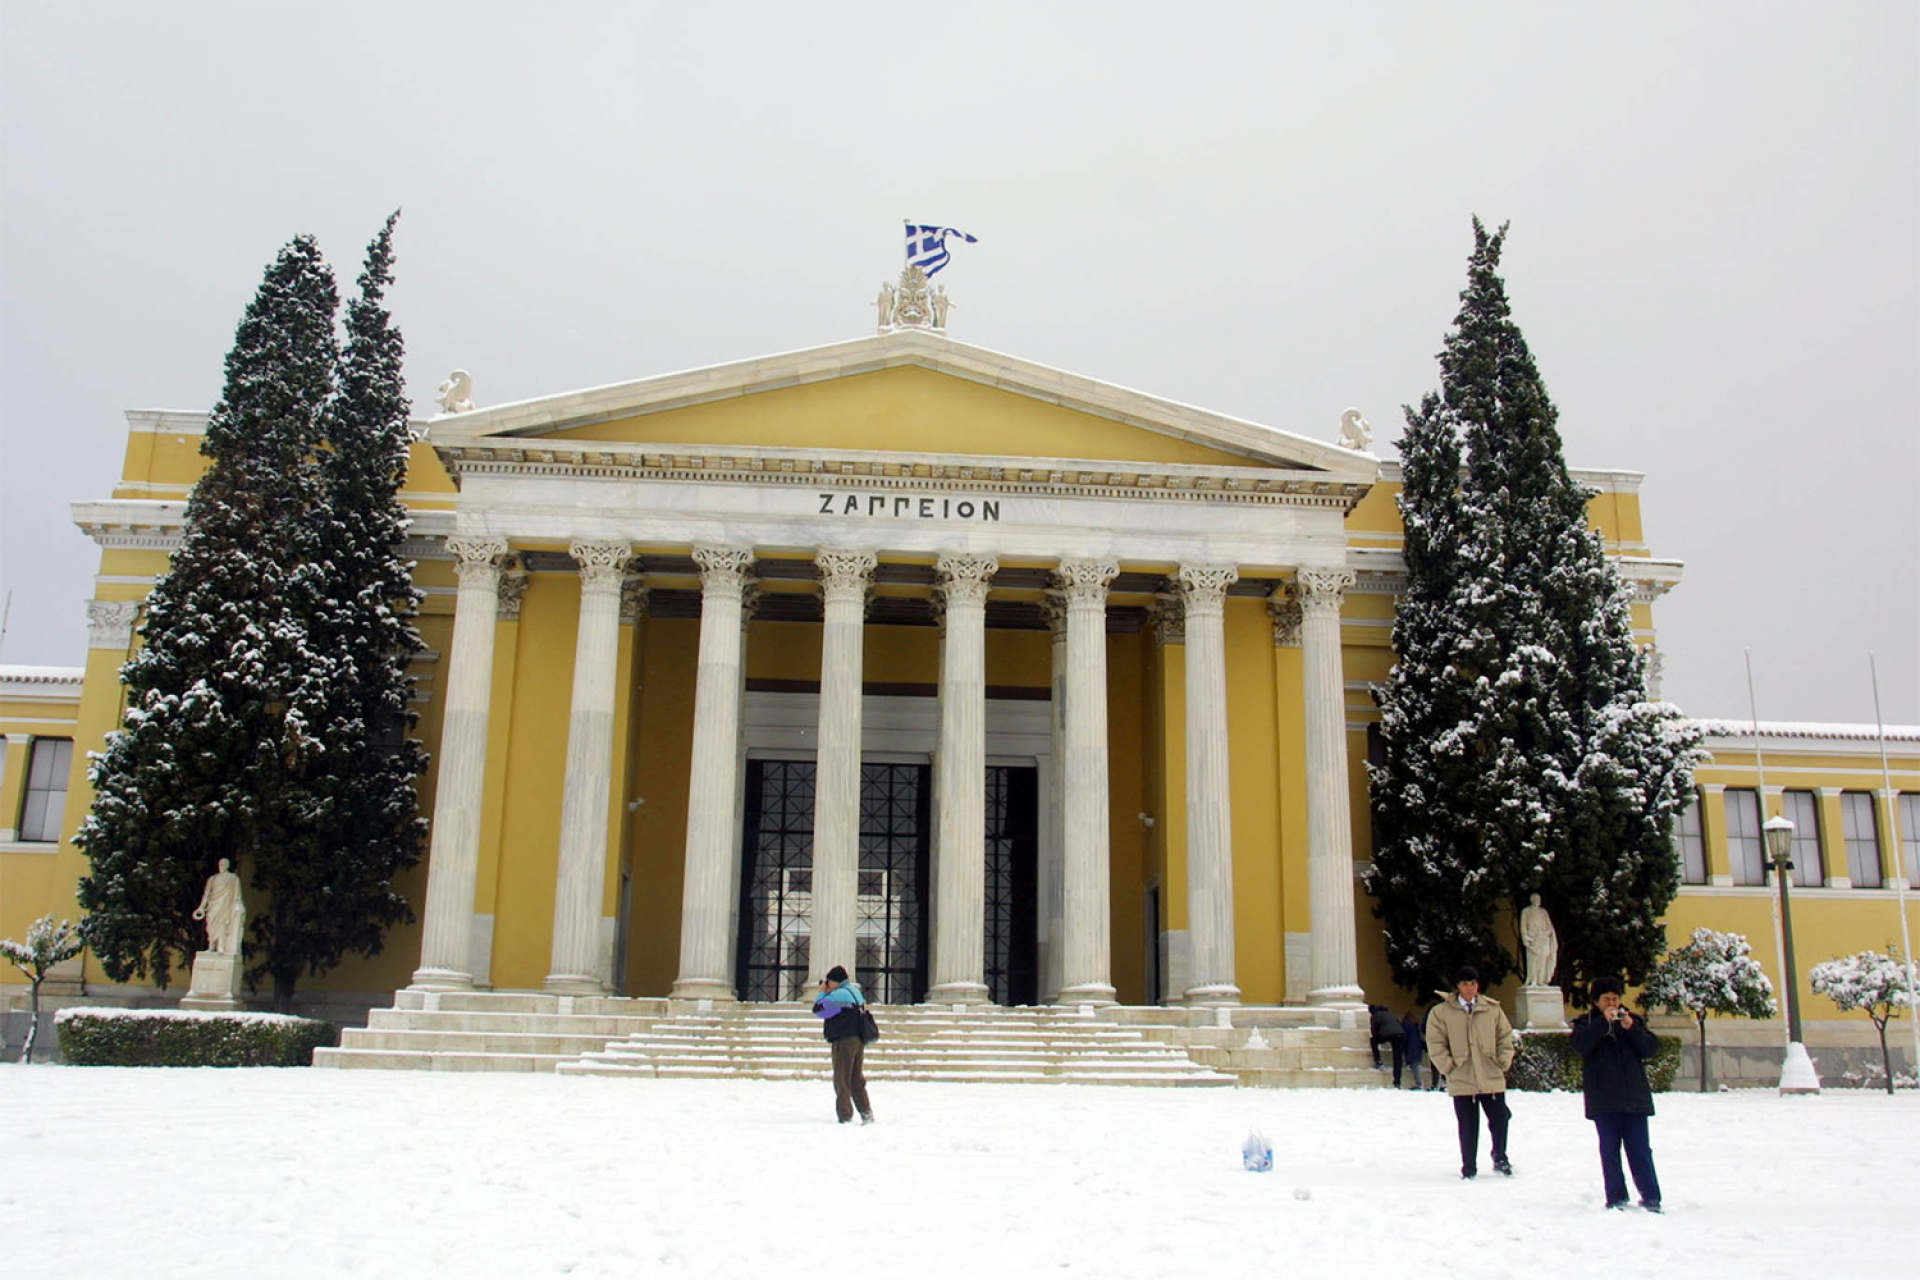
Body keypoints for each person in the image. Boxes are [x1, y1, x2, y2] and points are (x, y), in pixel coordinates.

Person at [1570, 977, 1664, 1213]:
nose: (1612, 1003)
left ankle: (1651, 1196)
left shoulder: (1633, 1021)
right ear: (1596, 1002)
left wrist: (1631, 1028)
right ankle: (1616, 1197)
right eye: (1606, 999)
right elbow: (1580, 1046)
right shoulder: (1585, 1023)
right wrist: (1603, 1023)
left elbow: (1650, 1049)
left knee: (1640, 1150)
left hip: (1635, 1098)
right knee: (1609, 1151)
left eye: (1615, 998)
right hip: (1603, 1099)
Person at [1426, 965, 1515, 1179]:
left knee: (1500, 1118)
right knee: (1467, 1125)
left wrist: (1503, 1061)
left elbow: (1504, 1036)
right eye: (1465, 983)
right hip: (1462, 1075)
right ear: (1457, 986)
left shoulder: (1492, 1009)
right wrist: (1449, 1067)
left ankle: (1500, 1156)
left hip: (1490, 1073)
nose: (1469, 988)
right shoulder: (1441, 1012)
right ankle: (1469, 1166)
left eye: (1473, 983)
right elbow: (1436, 1043)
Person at [810, 965, 874, 1125]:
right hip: (858, 1038)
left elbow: (819, 1010)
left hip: (844, 1039)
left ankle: (845, 1116)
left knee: (842, 1078)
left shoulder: (840, 994)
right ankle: (866, 1112)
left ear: (835, 981)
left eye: (829, 981)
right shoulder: (854, 992)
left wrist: (822, 993)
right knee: (855, 1078)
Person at [192, 857, 245, 954]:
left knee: (223, 925)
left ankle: (221, 947)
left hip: (226, 905)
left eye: (224, 864)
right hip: (213, 905)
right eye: (221, 864)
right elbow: (206, 895)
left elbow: (237, 895)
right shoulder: (212, 879)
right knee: (211, 926)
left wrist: (238, 906)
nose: (222, 866)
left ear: (228, 866)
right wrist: (201, 907)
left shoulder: (233, 878)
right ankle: (211, 946)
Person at [1520, 893, 1558, 987]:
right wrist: (1526, 937)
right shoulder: (1526, 911)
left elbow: (1549, 926)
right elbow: (1523, 926)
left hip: (1543, 939)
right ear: (1531, 900)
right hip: (1533, 939)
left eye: (1539, 899)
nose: (1538, 901)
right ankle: (1533, 980)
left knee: (1543, 960)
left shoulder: (1543, 912)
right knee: (1533, 960)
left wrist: (1546, 933)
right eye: (1536, 899)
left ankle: (1541, 981)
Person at [1368, 1003, 1406, 1086]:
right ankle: (1397, 1081)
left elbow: (1374, 1029)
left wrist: (1379, 1038)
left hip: (1388, 1034)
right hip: (1400, 1034)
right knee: (1397, 1058)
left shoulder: (1375, 1015)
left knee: (1373, 1041)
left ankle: (1378, 1061)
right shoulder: (1389, 1013)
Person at [1400, 1007, 1426, 1091]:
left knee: (1414, 1066)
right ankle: (1418, 1083)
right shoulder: (1415, 1026)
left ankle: (1418, 1083)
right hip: (1417, 1047)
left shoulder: (1406, 1025)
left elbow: (1405, 1038)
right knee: (1415, 1065)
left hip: (1411, 1047)